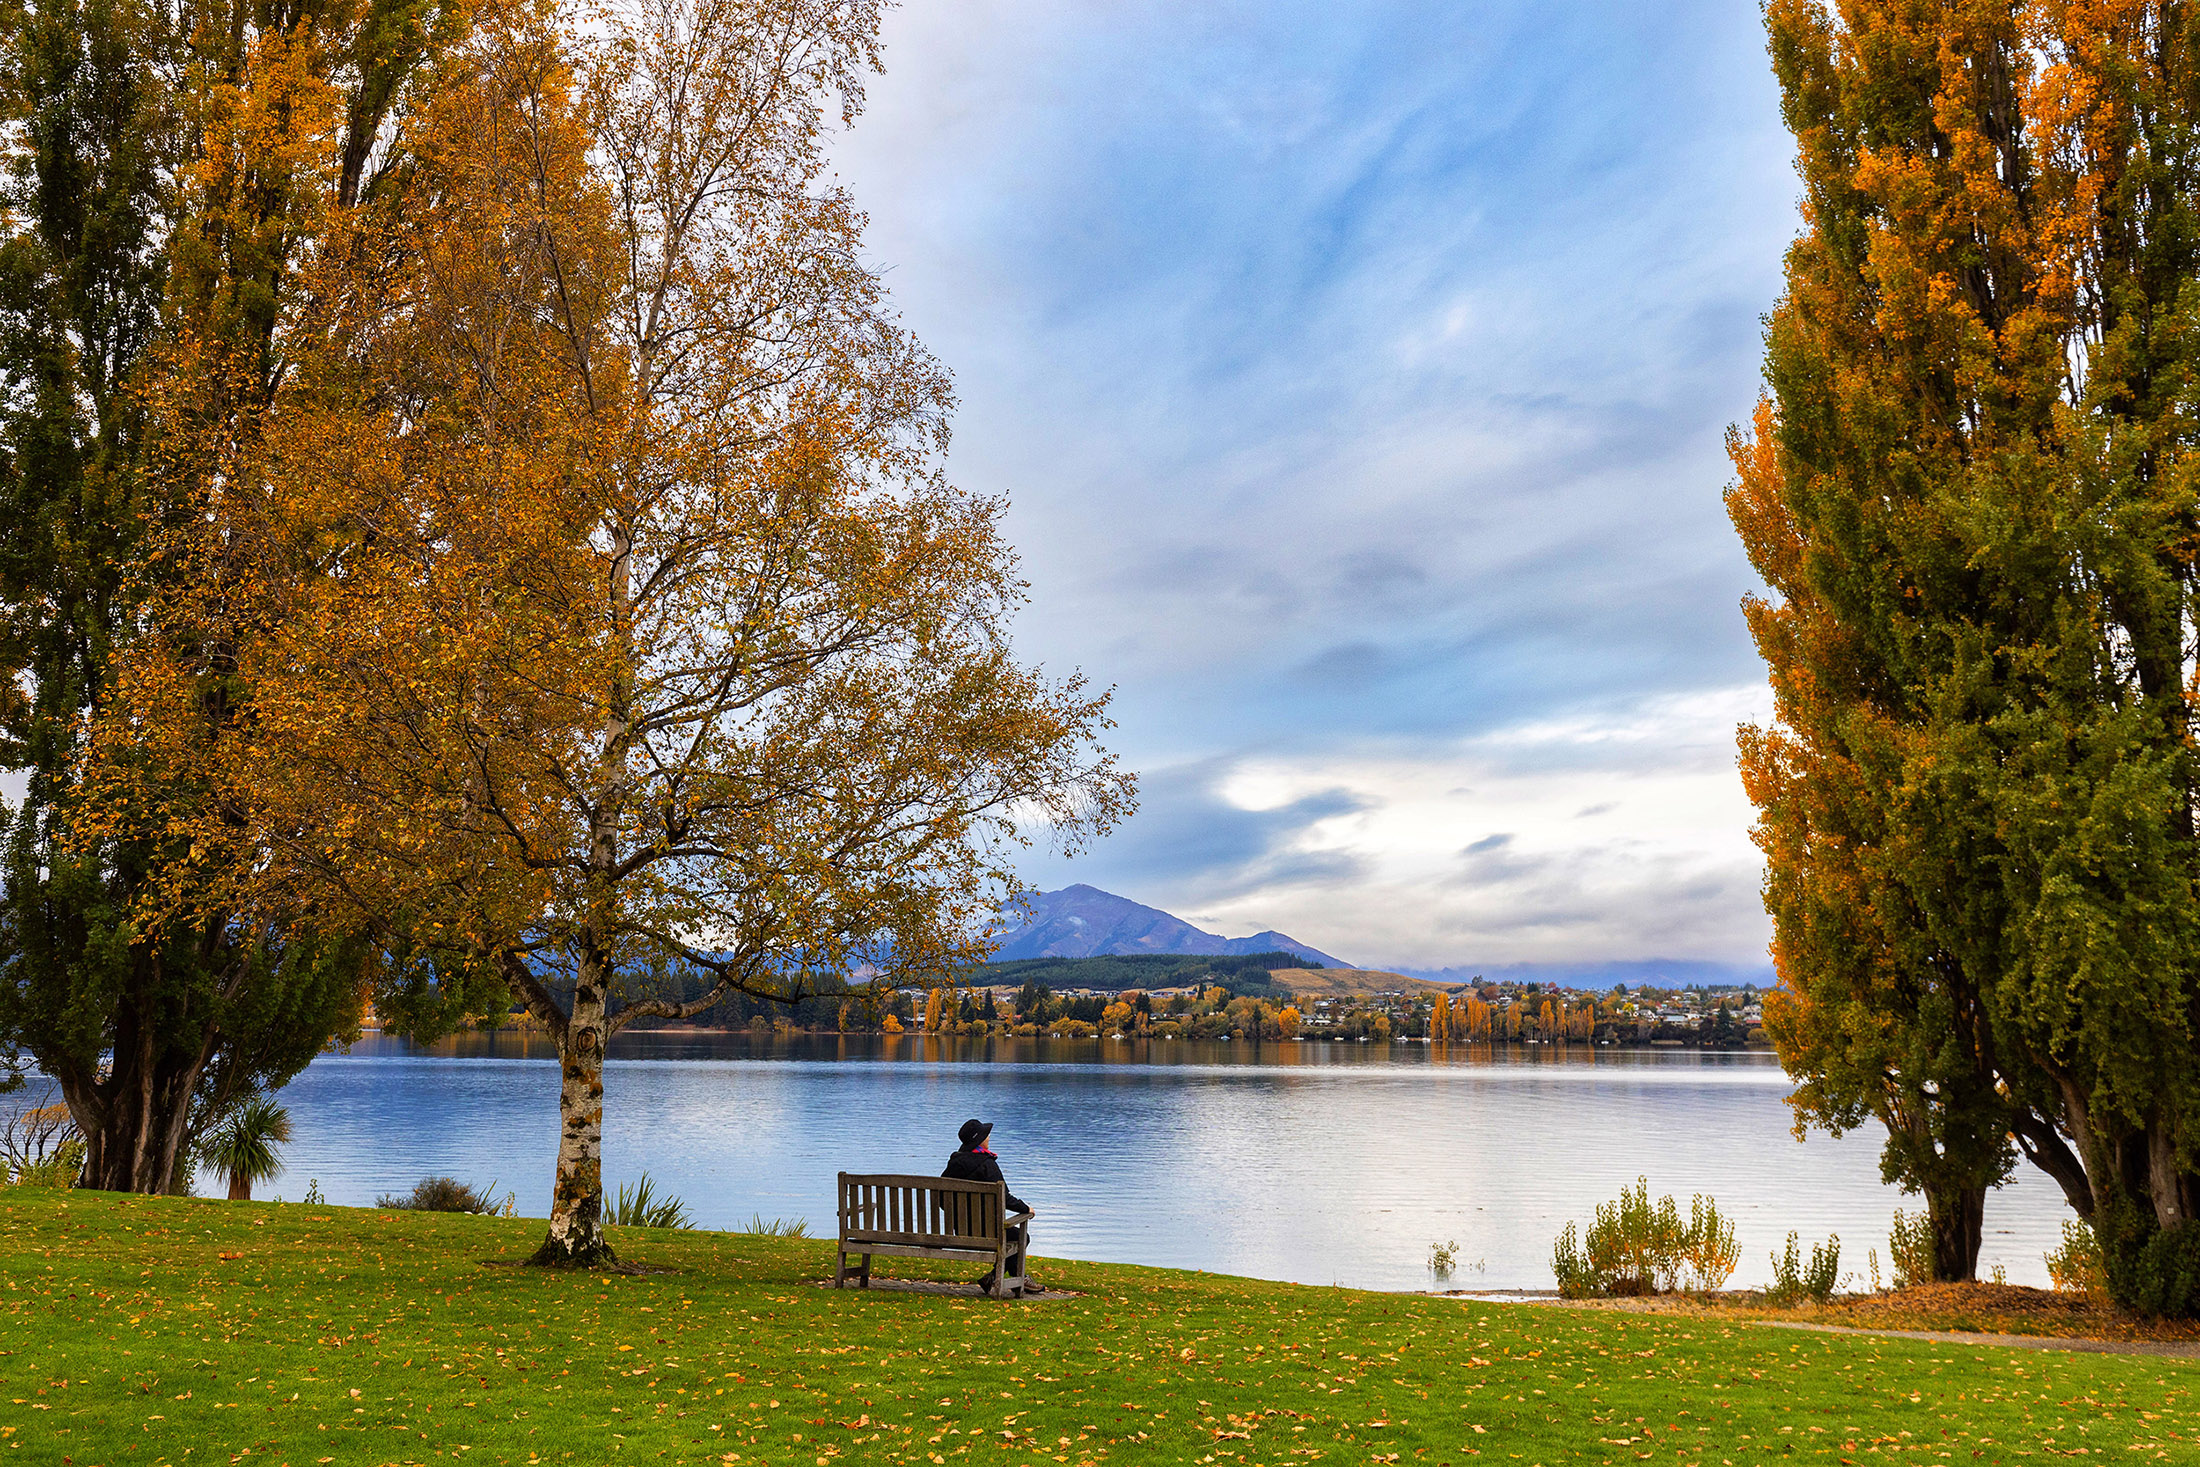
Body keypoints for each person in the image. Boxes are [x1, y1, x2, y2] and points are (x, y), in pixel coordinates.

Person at [943, 1118, 1038, 1293]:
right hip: (988, 1232)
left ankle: (994, 1278)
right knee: (1021, 1236)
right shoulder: (987, 1164)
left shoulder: (954, 1163)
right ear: (979, 1140)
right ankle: (1014, 1279)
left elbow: (942, 1200)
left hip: (961, 1231)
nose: (988, 1138)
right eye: (986, 1135)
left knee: (1015, 1236)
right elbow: (1005, 1198)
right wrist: (1026, 1209)